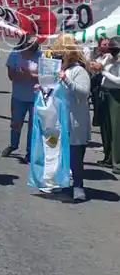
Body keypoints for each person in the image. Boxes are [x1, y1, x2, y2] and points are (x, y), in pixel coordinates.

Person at [51, 34, 91, 201]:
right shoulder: (61, 71)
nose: (55, 56)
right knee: (60, 154)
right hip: (60, 120)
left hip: (75, 122)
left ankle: (78, 186)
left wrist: (66, 80)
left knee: (75, 156)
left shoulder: (78, 71)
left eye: (59, 52)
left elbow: (83, 93)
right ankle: (63, 183)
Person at [1, 35, 40, 162]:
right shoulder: (15, 55)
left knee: (33, 126)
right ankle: (13, 145)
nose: (33, 44)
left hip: (35, 97)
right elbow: (11, 76)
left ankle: (30, 152)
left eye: (35, 42)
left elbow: (44, 77)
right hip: (18, 96)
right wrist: (20, 73)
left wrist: (28, 74)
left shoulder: (41, 56)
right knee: (16, 123)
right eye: (30, 42)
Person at [95, 36, 120, 174]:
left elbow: (118, 81)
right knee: (106, 129)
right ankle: (109, 158)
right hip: (105, 93)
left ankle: (117, 162)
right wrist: (103, 63)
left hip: (116, 95)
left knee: (116, 130)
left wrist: (103, 71)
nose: (111, 51)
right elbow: (100, 67)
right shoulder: (109, 58)